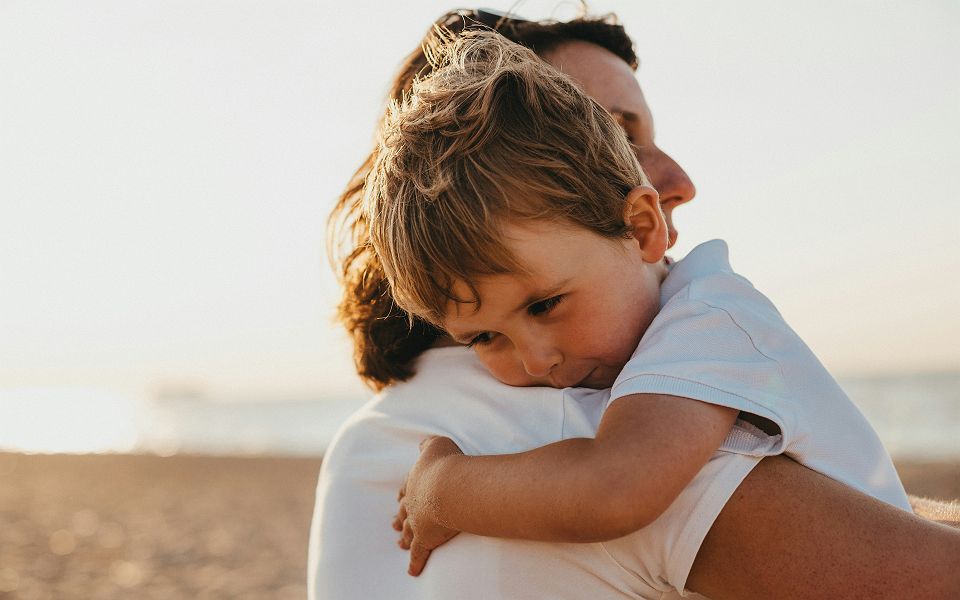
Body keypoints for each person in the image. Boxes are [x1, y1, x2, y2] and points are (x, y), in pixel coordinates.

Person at [309, 10, 960, 600]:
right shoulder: (576, 419)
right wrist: (443, 488)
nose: (678, 180)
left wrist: (442, 487)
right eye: (612, 136)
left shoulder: (381, 435)